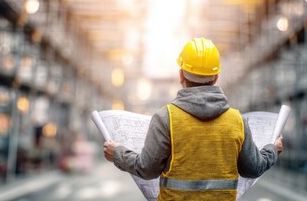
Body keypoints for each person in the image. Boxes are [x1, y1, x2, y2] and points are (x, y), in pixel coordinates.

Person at [104, 37, 283, 201]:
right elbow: (253, 168)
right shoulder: (236, 121)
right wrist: (272, 149)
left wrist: (118, 153)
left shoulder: (166, 118)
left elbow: (146, 169)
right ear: (215, 78)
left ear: (181, 74)